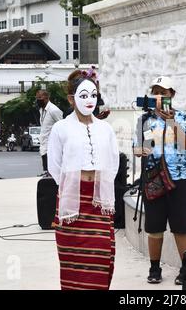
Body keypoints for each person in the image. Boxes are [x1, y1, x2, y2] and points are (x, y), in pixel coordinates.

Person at [48, 70, 120, 290]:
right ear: (71, 99)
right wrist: (72, 187)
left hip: (99, 200)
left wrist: (100, 187)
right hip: (72, 202)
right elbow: (54, 166)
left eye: (93, 95)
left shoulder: (105, 129)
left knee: (102, 256)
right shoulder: (61, 128)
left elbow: (113, 162)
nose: (90, 100)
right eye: (83, 95)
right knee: (73, 261)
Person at [134, 76, 186, 285]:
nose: (160, 96)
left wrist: (170, 121)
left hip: (179, 178)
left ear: (172, 95)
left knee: (181, 226)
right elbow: (137, 149)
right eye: (156, 92)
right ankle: (154, 267)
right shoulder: (144, 120)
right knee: (155, 226)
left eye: (164, 92)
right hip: (154, 178)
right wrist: (144, 148)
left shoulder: (183, 118)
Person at [36, 89, 63, 175]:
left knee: (52, 170)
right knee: (46, 168)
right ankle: (47, 173)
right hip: (44, 143)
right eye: (37, 98)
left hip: (52, 144)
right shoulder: (41, 110)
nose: (38, 100)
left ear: (46, 98)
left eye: (40, 98)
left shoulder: (54, 110)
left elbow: (62, 126)